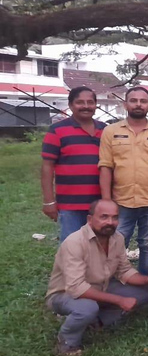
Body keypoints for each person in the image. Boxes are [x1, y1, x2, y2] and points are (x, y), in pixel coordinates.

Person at [45, 199, 148, 356]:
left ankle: (97, 322)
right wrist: (119, 300)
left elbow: (124, 271)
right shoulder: (74, 242)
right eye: (104, 217)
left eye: (115, 217)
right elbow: (76, 287)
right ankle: (67, 343)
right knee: (87, 308)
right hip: (64, 294)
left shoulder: (117, 238)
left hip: (100, 287)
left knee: (144, 292)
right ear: (90, 219)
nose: (110, 222)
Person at [98, 86, 148, 275]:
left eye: (143, 101)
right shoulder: (111, 131)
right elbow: (106, 166)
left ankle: (145, 282)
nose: (138, 104)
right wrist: (106, 200)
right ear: (125, 104)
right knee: (116, 242)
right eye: (134, 100)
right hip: (121, 200)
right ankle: (111, 281)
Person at [41, 86, 107, 242]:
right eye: (80, 102)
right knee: (72, 248)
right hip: (70, 204)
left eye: (90, 102)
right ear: (70, 105)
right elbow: (47, 167)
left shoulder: (105, 130)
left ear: (96, 105)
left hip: (100, 203)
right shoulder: (57, 130)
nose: (85, 106)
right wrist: (49, 201)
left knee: (99, 246)